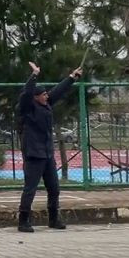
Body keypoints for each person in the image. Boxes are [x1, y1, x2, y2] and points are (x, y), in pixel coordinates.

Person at [16, 62, 82, 233]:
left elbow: (58, 91)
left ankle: (53, 219)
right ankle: (23, 221)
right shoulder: (27, 108)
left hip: (47, 155)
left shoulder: (46, 105)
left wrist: (71, 78)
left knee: (54, 188)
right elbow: (26, 93)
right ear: (35, 97)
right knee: (30, 189)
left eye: (46, 94)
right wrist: (34, 75)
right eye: (43, 94)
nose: (47, 96)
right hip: (33, 155)